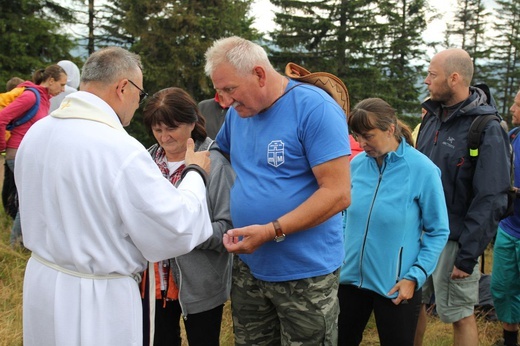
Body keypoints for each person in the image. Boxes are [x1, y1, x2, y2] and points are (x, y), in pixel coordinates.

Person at [15, 46, 214, 346]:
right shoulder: (119, 149)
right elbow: (175, 226)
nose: (137, 104)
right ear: (124, 87)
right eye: (140, 94)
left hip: (43, 282)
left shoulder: (39, 131)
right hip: (96, 299)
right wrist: (195, 173)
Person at [205, 36, 351, 345]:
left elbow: (338, 193)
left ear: (259, 74)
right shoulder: (238, 113)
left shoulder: (315, 108)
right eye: (220, 92)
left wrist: (272, 230)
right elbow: (220, 151)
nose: (227, 101)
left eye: (231, 89)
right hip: (250, 266)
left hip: (304, 273)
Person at [415, 48, 511, 346]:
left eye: (432, 74)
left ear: (454, 78)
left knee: (460, 313)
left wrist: (468, 255)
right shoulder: (433, 117)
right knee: (410, 303)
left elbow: (492, 197)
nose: (426, 81)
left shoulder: (486, 127)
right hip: (418, 234)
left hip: (455, 241)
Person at [337, 98, 449, 346]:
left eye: (368, 136)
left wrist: (414, 276)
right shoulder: (356, 165)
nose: (361, 143)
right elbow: (344, 215)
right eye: (356, 136)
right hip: (349, 280)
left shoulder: (423, 170)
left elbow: (438, 231)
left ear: (390, 129)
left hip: (397, 286)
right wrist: (341, 255)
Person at [141, 87, 234, 346]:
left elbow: (227, 228)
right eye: (157, 130)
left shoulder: (215, 164)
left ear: (192, 122)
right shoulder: (146, 161)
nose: (164, 137)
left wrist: (182, 232)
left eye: (171, 128)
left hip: (202, 286)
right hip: (154, 283)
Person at [0, 64, 68, 247]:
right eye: (61, 85)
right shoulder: (31, 96)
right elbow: (2, 117)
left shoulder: (43, 98)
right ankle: (17, 242)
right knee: (32, 198)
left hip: (27, 153)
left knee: (31, 197)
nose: (63, 90)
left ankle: (22, 241)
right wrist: (2, 147)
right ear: (51, 80)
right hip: (17, 154)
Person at [491, 88, 520, 346]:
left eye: (517, 104)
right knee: (503, 288)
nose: (512, 108)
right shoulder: (512, 136)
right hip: (509, 228)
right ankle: (509, 340)